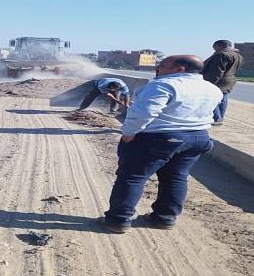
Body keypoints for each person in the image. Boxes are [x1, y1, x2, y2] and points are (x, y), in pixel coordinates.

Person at [98, 55, 223, 233]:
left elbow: (144, 113)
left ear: (179, 69)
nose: (157, 68)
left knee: (133, 177)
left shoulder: (163, 84)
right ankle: (164, 218)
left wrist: (128, 133)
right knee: (176, 177)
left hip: (160, 137)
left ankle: (118, 220)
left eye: (162, 65)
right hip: (197, 138)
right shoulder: (212, 88)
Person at [201, 40, 244, 124]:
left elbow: (217, 71)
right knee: (223, 99)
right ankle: (220, 118)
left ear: (220, 46)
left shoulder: (222, 55)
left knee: (212, 99)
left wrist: (209, 83)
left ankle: (216, 118)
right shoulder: (237, 55)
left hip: (219, 80)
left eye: (215, 47)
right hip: (229, 79)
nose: (214, 50)